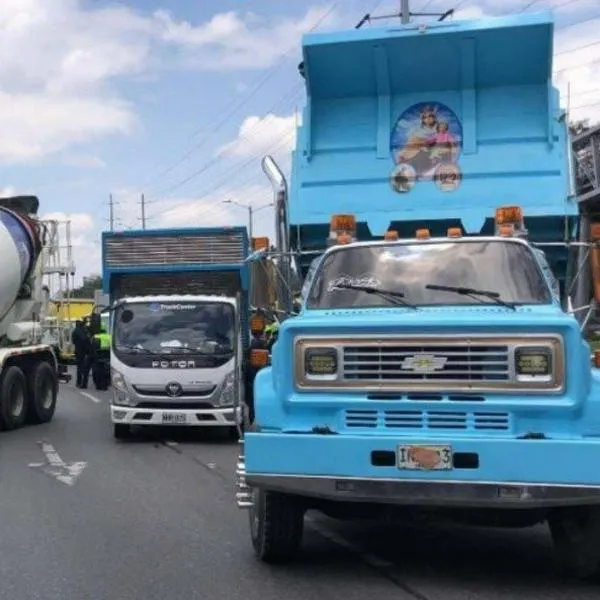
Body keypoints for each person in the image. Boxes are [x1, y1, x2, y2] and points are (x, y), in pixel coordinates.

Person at [71, 320, 91, 388]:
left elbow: (73, 341)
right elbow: (87, 340)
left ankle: (79, 382)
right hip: (85, 351)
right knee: (85, 367)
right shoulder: (85, 331)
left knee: (79, 367)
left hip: (78, 351)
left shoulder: (75, 331)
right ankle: (84, 383)